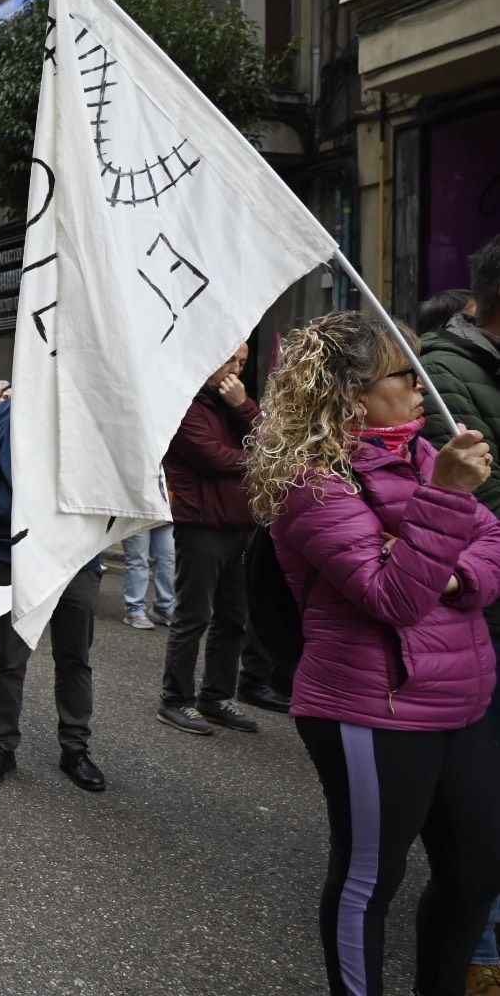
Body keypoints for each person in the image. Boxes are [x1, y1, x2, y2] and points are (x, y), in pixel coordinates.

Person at [245, 311, 500, 996]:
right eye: (403, 375)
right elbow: (393, 598)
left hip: (465, 699)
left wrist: (447, 564)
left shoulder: (417, 454)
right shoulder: (314, 483)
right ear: (354, 394)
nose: (421, 388)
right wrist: (446, 503)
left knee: (478, 870)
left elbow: (494, 546)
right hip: (373, 709)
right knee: (369, 881)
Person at [417, 235, 500, 992]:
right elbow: (469, 517)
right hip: (471, 649)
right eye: (391, 381)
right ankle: (479, 955)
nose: (412, 396)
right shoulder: (447, 377)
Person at [0, 396, 106, 793]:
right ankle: (1, 747)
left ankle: (75, 749)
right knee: (9, 657)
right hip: (16, 556)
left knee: (75, 658)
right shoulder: (2, 418)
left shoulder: (92, 409)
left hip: (77, 556)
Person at [157, 343, 267, 735]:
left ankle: (217, 696)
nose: (235, 370)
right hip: (201, 524)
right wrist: (258, 458)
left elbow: (268, 437)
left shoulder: (232, 402)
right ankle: (176, 699)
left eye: (241, 361)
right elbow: (213, 456)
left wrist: (243, 406)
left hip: (240, 522)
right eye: (228, 361)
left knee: (234, 618)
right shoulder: (184, 403)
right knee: (194, 615)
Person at [119, 525, 176, 630]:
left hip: (164, 513)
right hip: (137, 512)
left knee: (167, 557)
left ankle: (164, 607)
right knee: (138, 558)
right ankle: (134, 610)